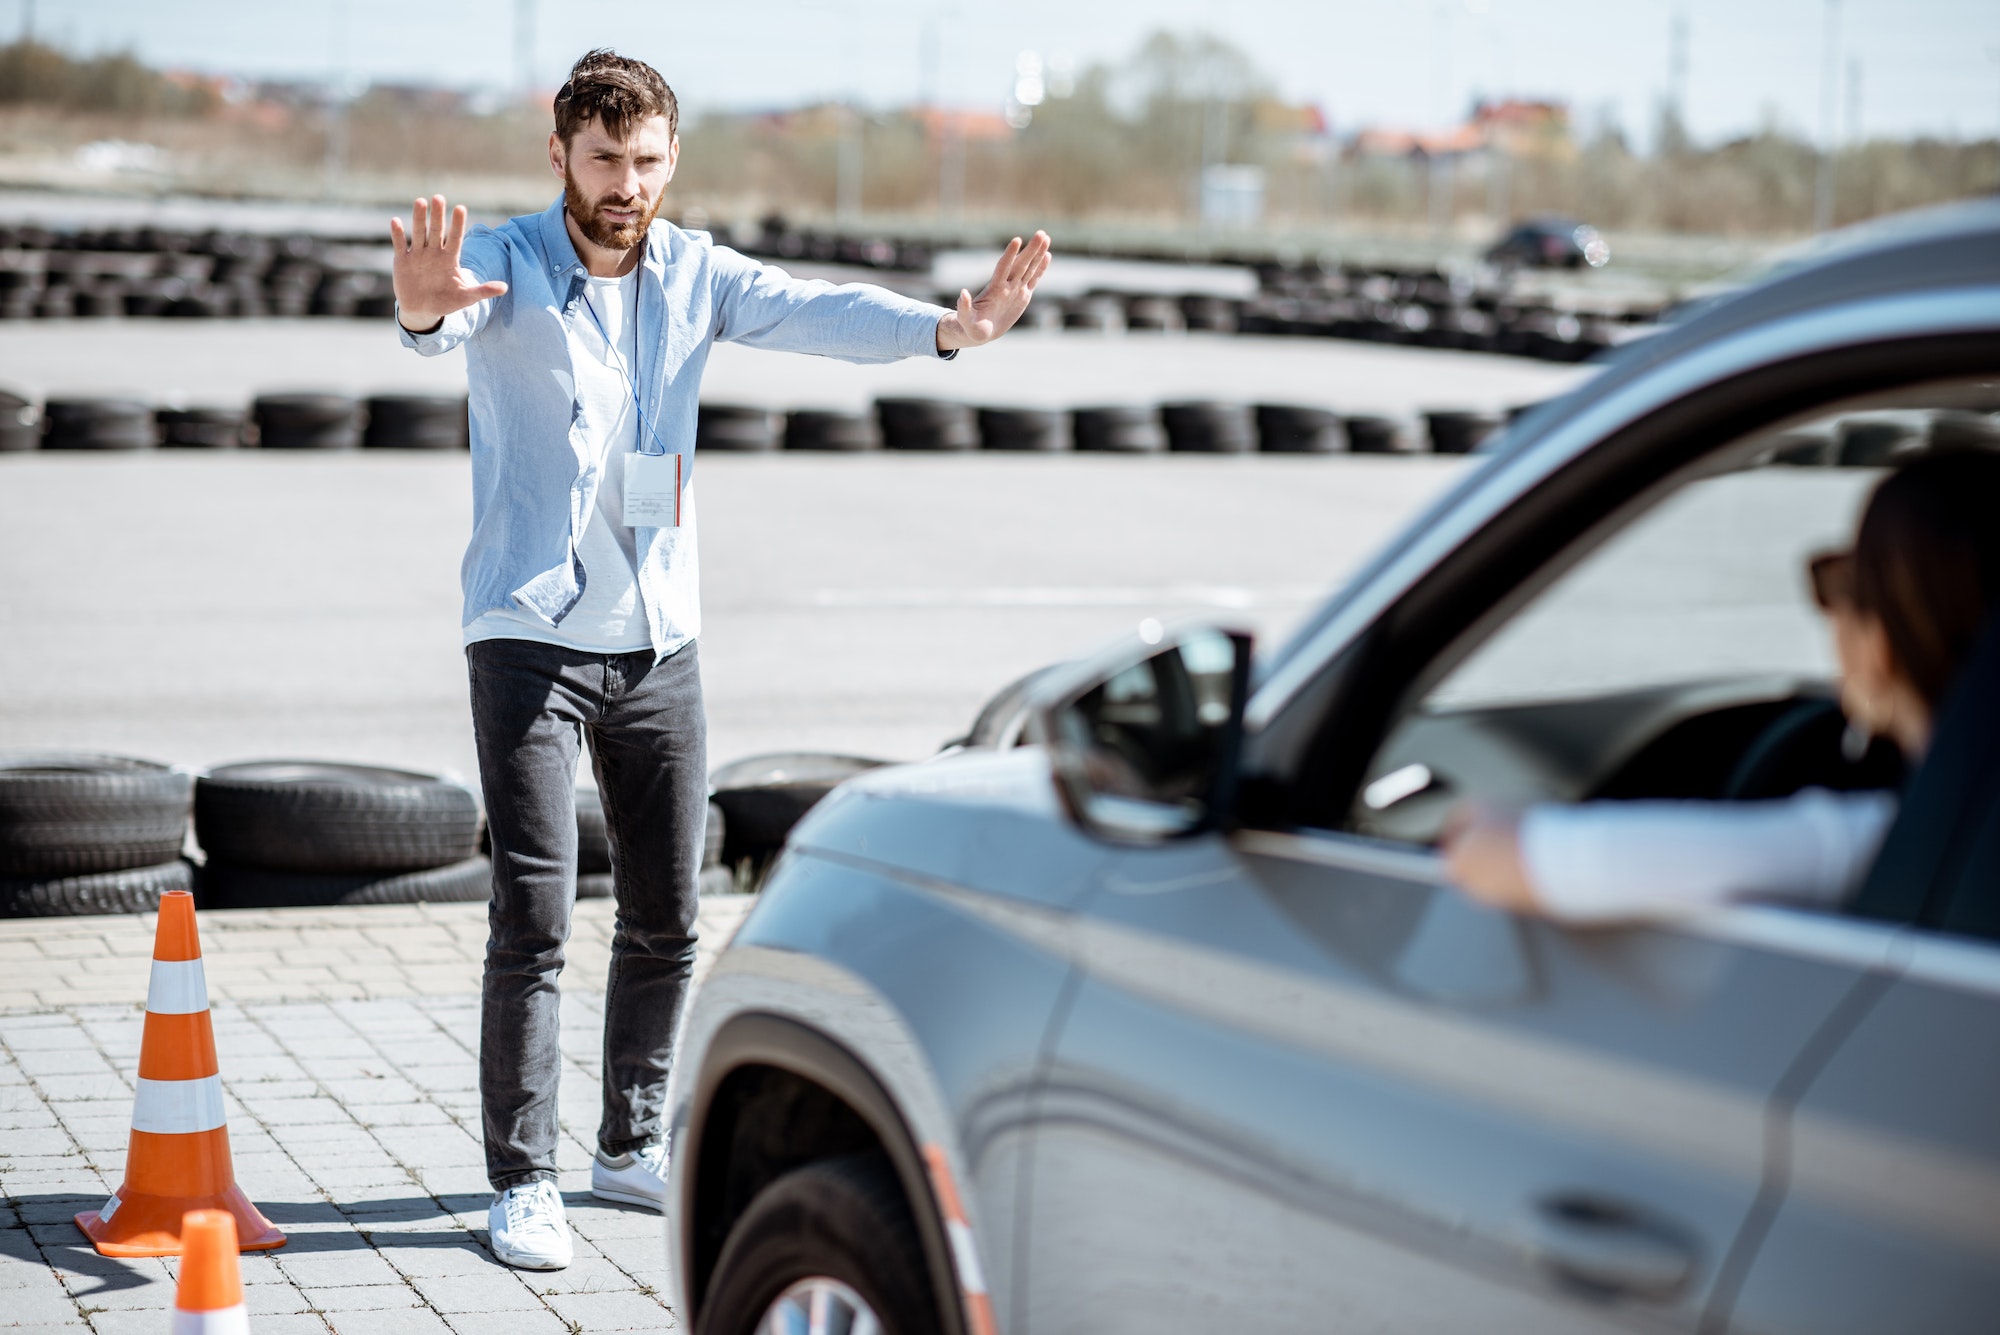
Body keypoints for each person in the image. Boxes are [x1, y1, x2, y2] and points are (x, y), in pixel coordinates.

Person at [391, 49, 1051, 1271]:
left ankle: (627, 1144)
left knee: (668, 915)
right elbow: (440, 322)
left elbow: (816, 310)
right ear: (559, 157)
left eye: (646, 162)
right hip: (526, 637)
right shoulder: (511, 258)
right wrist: (424, 305)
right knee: (534, 913)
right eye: (602, 160)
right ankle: (520, 1178)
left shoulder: (696, 272)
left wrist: (947, 332)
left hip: (658, 641)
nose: (625, 184)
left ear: (671, 159)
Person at [1444, 449, 2000, 922]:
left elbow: (1504, 858)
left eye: (1842, 582)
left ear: (1879, 638)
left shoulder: (1878, 845)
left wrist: (1484, 820)